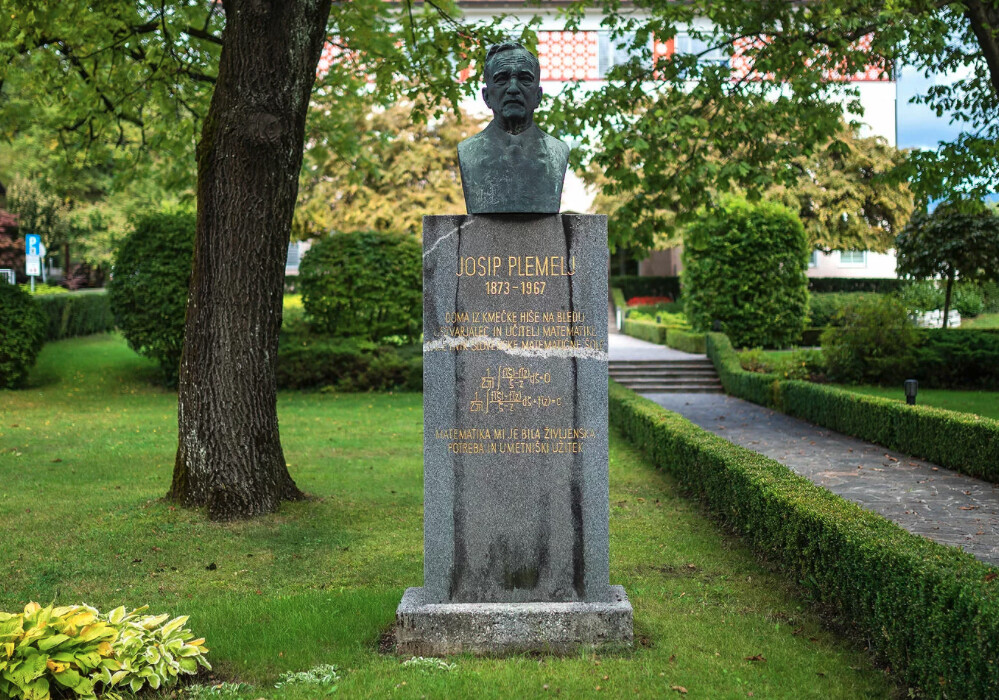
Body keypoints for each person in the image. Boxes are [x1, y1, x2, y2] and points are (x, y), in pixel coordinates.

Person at [458, 42, 570, 214]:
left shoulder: (557, 152)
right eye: (501, 79)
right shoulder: (468, 152)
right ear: (486, 97)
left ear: (538, 96)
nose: (513, 88)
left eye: (524, 79)